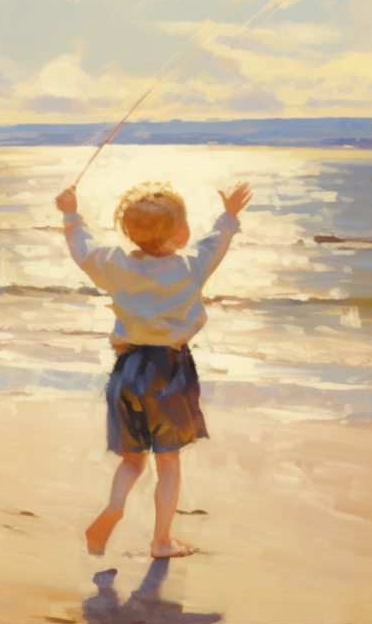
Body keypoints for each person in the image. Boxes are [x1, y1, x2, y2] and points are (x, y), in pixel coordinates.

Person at [55, 179, 252, 559]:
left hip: (127, 368)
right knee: (169, 462)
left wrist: (70, 213)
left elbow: (81, 250)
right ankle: (161, 542)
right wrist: (229, 215)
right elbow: (218, 243)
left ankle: (114, 506)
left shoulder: (113, 264)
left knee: (133, 459)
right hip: (169, 371)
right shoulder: (191, 267)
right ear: (181, 234)